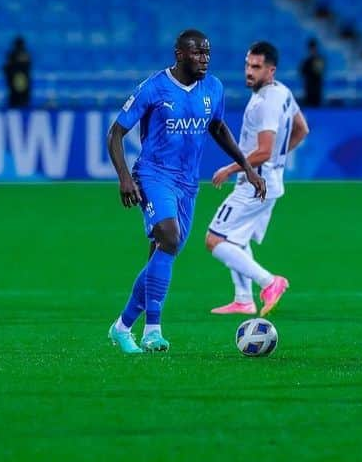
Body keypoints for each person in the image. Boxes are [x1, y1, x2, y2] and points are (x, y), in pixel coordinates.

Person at [106, 29, 266, 353]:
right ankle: (153, 330)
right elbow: (115, 133)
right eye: (197, 53)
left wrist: (247, 167)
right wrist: (125, 178)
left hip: (187, 183)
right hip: (153, 174)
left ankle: (121, 327)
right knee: (168, 235)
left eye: (207, 53)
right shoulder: (154, 88)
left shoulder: (214, 88)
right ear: (179, 54)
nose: (204, 59)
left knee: (163, 253)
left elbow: (218, 128)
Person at [206, 41, 309, 316]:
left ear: (271, 70)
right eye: (247, 65)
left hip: (255, 185)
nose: (249, 71)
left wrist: (229, 169)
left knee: (214, 240)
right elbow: (302, 129)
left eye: (256, 67)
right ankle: (243, 300)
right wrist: (278, 158)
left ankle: (270, 282)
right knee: (237, 240)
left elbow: (263, 150)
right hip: (270, 180)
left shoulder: (265, 103)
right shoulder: (282, 92)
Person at [3, 36, 32, 109]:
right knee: (23, 100)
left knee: (16, 100)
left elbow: (6, 68)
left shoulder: (12, 54)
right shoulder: (26, 54)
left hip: (16, 81)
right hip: (22, 82)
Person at [299, 38, 325, 107]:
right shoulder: (306, 61)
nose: (313, 50)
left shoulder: (320, 59)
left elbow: (319, 72)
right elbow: (301, 72)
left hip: (317, 88)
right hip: (308, 87)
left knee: (317, 106)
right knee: (309, 105)